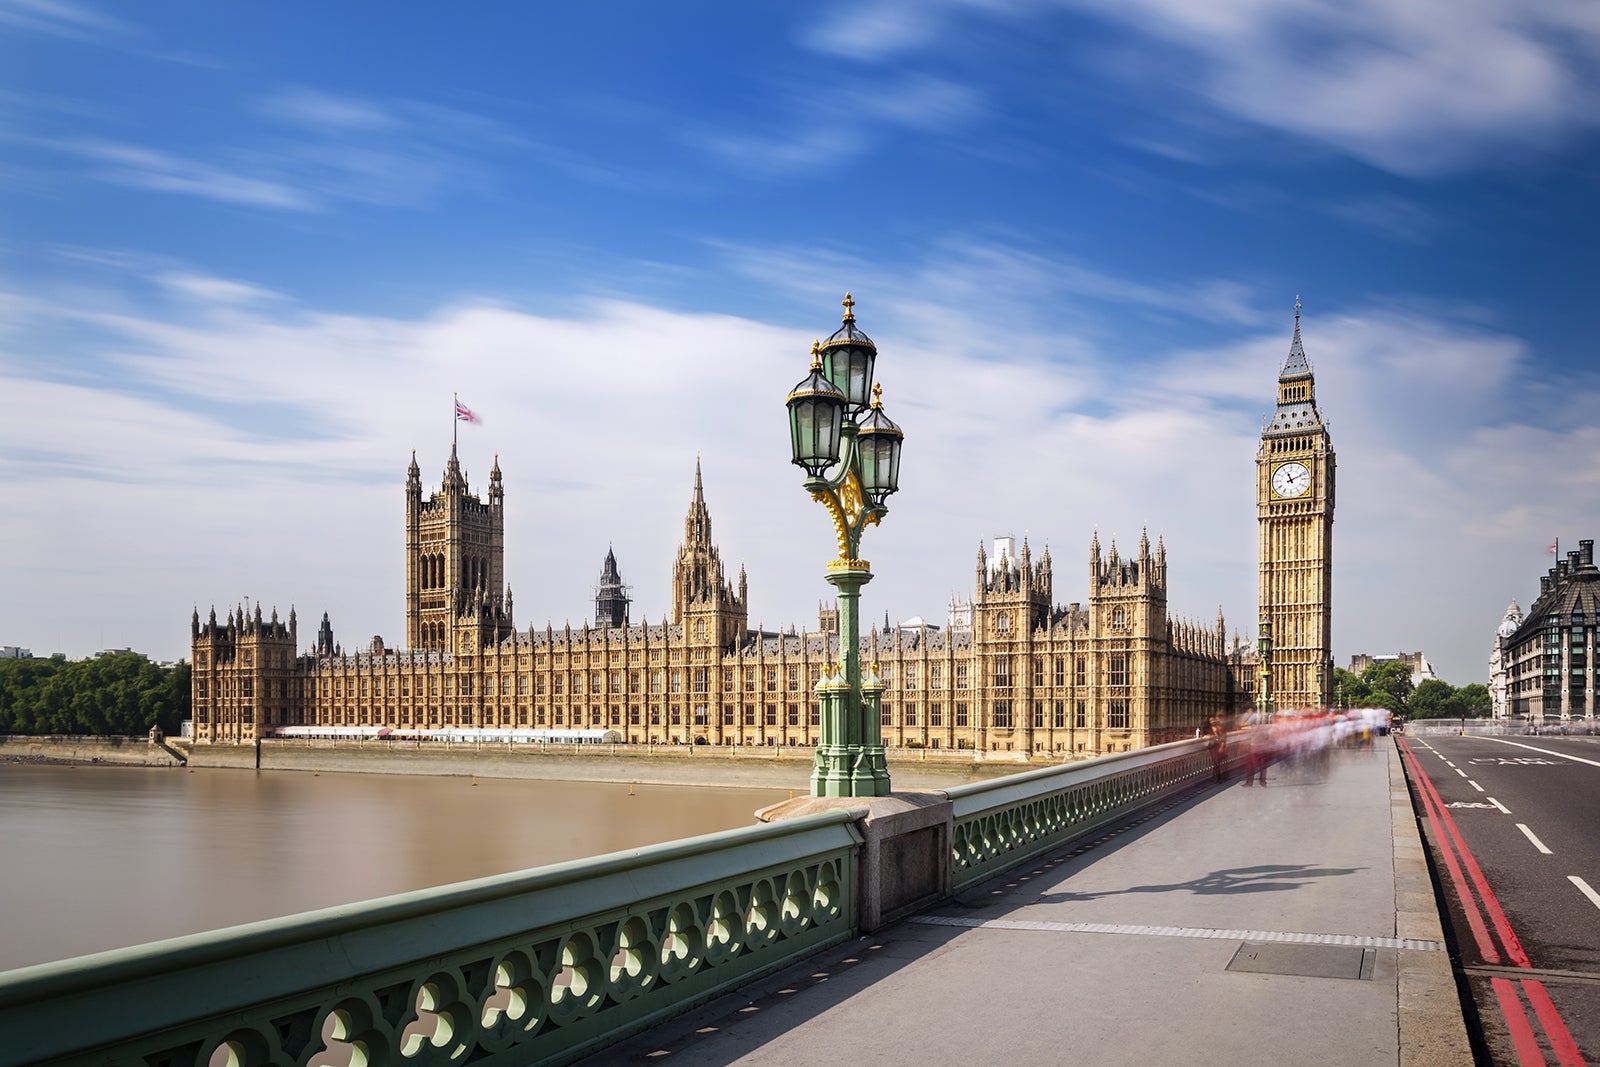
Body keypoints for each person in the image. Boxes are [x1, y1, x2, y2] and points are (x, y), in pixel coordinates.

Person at [1207, 715, 1228, 782]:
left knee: (1217, 762)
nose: (1212, 722)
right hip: (1213, 747)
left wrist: (1221, 746)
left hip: (1217, 746)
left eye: (1213, 720)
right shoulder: (1211, 729)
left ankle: (1218, 778)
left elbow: (1223, 738)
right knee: (1215, 762)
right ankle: (1215, 776)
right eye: (1210, 721)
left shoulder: (1220, 728)